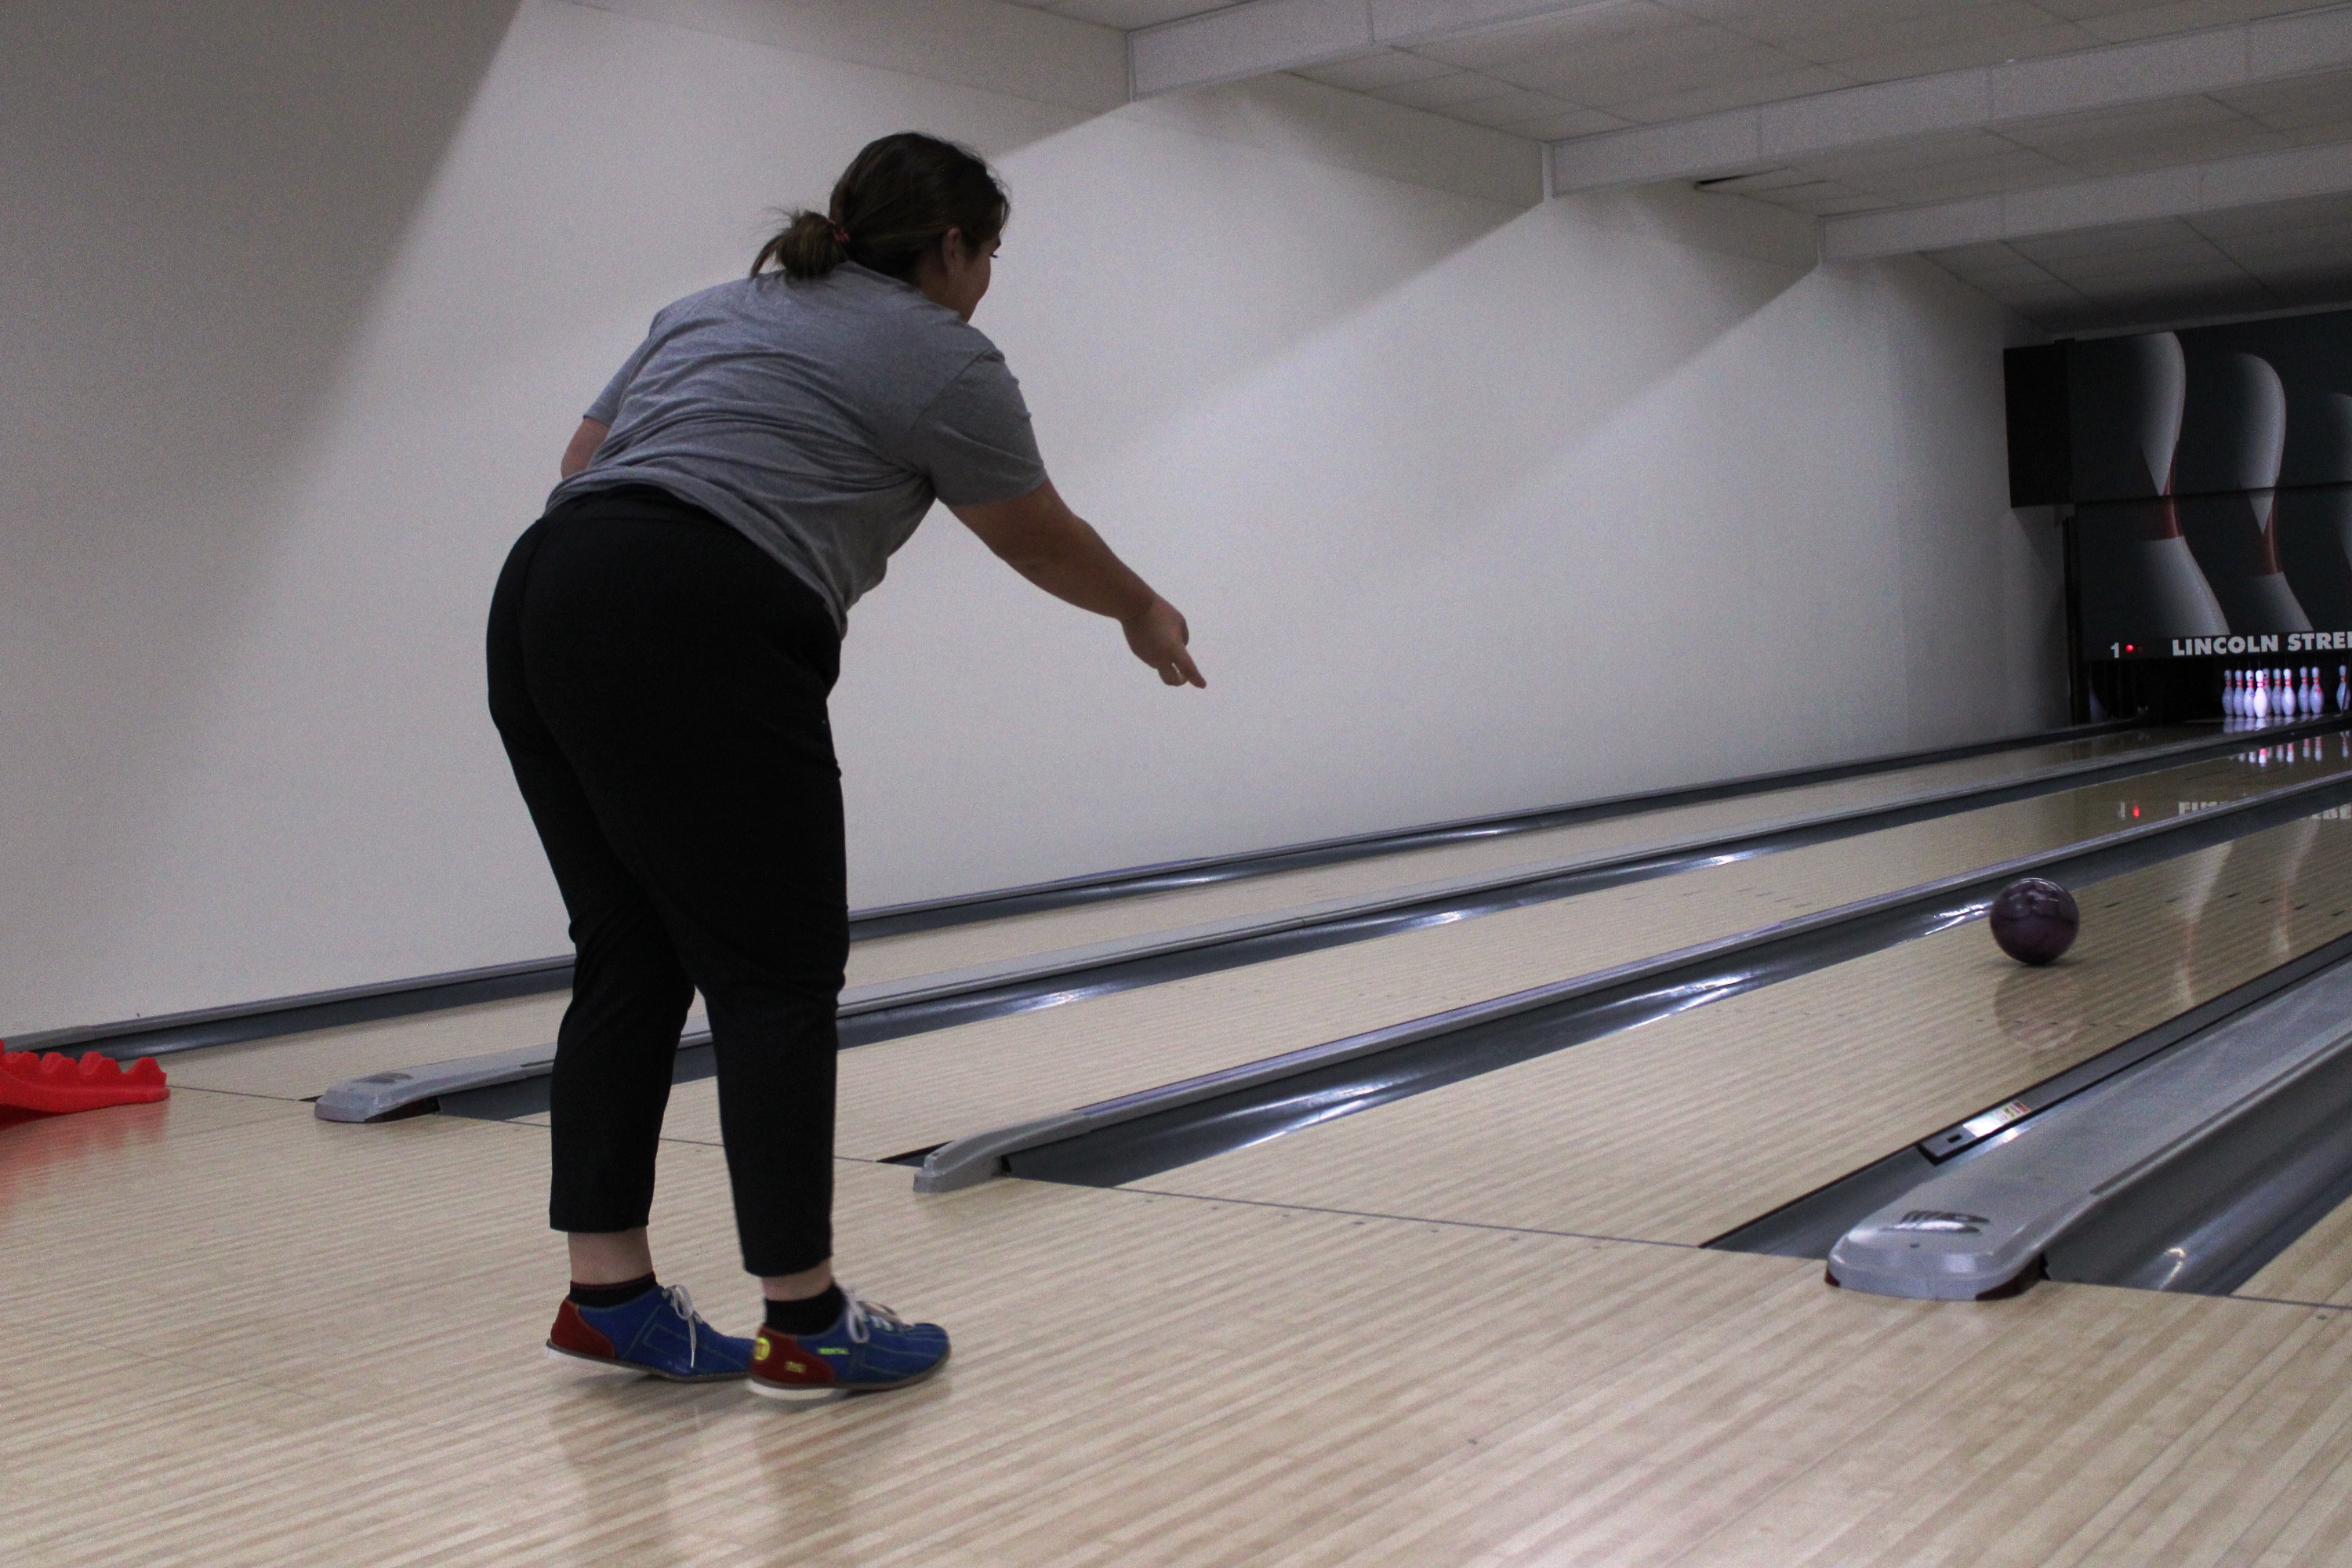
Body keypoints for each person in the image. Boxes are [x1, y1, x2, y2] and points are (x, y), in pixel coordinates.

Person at [487, 132, 1204, 1402]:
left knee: (631, 950)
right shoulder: (944, 353)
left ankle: (610, 1295)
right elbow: (1034, 533)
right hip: (703, 616)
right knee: (775, 977)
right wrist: (1143, 611)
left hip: (545, 588)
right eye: (990, 254)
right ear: (950, 248)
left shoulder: (712, 306)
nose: (990, 280)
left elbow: (582, 461)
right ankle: (805, 1322)